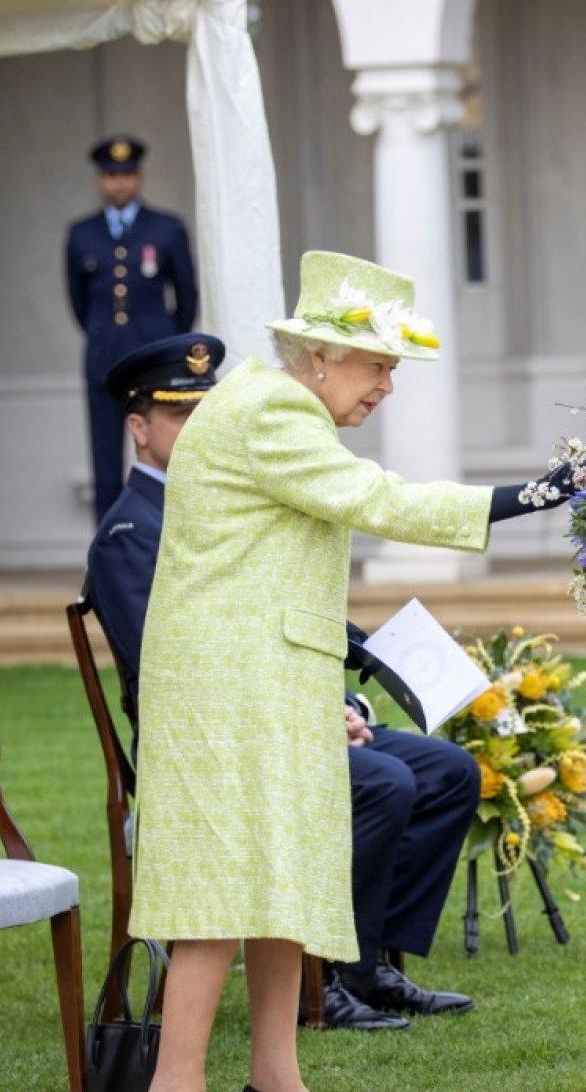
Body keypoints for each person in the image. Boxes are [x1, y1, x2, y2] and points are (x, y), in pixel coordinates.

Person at [128, 253, 570, 1092]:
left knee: (287, 871)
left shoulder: (268, 403)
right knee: (224, 879)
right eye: (377, 367)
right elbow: (379, 499)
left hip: (260, 675)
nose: (387, 388)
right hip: (229, 683)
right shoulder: (275, 410)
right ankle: (173, 1090)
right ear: (320, 357)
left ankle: (275, 1083)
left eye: (393, 371)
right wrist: (532, 495)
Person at [86, 333, 478, 1037]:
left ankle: (366, 961)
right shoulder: (129, 531)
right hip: (214, 734)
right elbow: (172, 661)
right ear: (138, 428)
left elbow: (273, 604)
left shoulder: (240, 480)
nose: (201, 426)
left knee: (447, 769)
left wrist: (345, 701)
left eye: (204, 410)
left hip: (284, 703)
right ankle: (325, 977)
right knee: (385, 783)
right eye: (179, 416)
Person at [65, 135, 197, 522]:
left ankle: (169, 533)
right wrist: (102, 333)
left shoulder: (167, 228)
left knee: (166, 444)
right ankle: (109, 543)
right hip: (104, 356)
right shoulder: (81, 233)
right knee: (104, 455)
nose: (119, 183)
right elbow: (77, 301)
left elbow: (186, 296)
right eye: (110, 175)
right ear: (100, 180)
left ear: (139, 177)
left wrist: (168, 344)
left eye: (126, 174)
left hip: (155, 357)